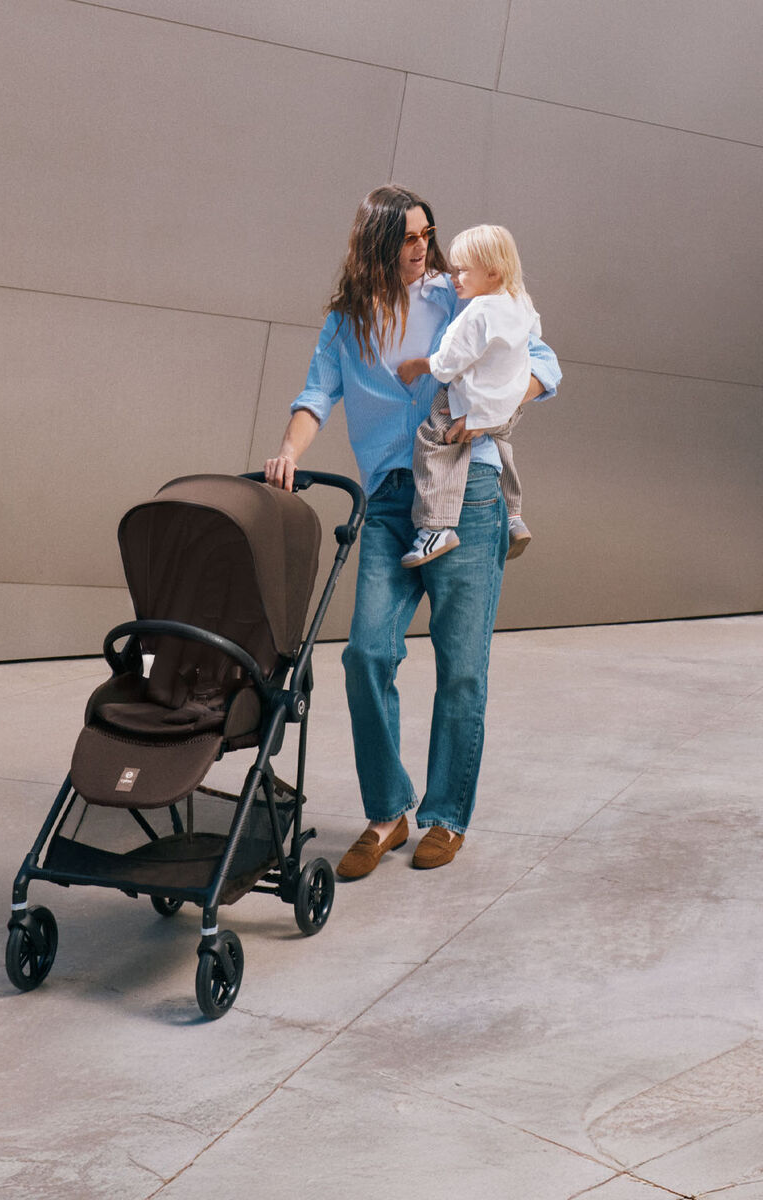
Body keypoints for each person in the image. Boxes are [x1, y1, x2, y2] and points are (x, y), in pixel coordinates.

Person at [264, 185, 560, 878]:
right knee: (366, 654)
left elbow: (541, 361)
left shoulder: (457, 298)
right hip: (391, 501)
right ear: (376, 244)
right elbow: (315, 396)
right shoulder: (346, 325)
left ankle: (446, 816)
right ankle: (388, 811)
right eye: (407, 237)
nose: (423, 247)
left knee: (461, 668)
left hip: (470, 490)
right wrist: (290, 451)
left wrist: (492, 413)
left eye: (427, 233)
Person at [397, 224, 539, 567]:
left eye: (462, 271)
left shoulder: (476, 314)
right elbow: (534, 337)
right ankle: (514, 515)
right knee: (501, 446)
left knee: (433, 443)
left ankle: (436, 527)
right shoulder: (520, 302)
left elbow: (445, 367)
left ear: (492, 272)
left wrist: (415, 366)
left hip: (468, 403)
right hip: (507, 405)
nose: (454, 277)